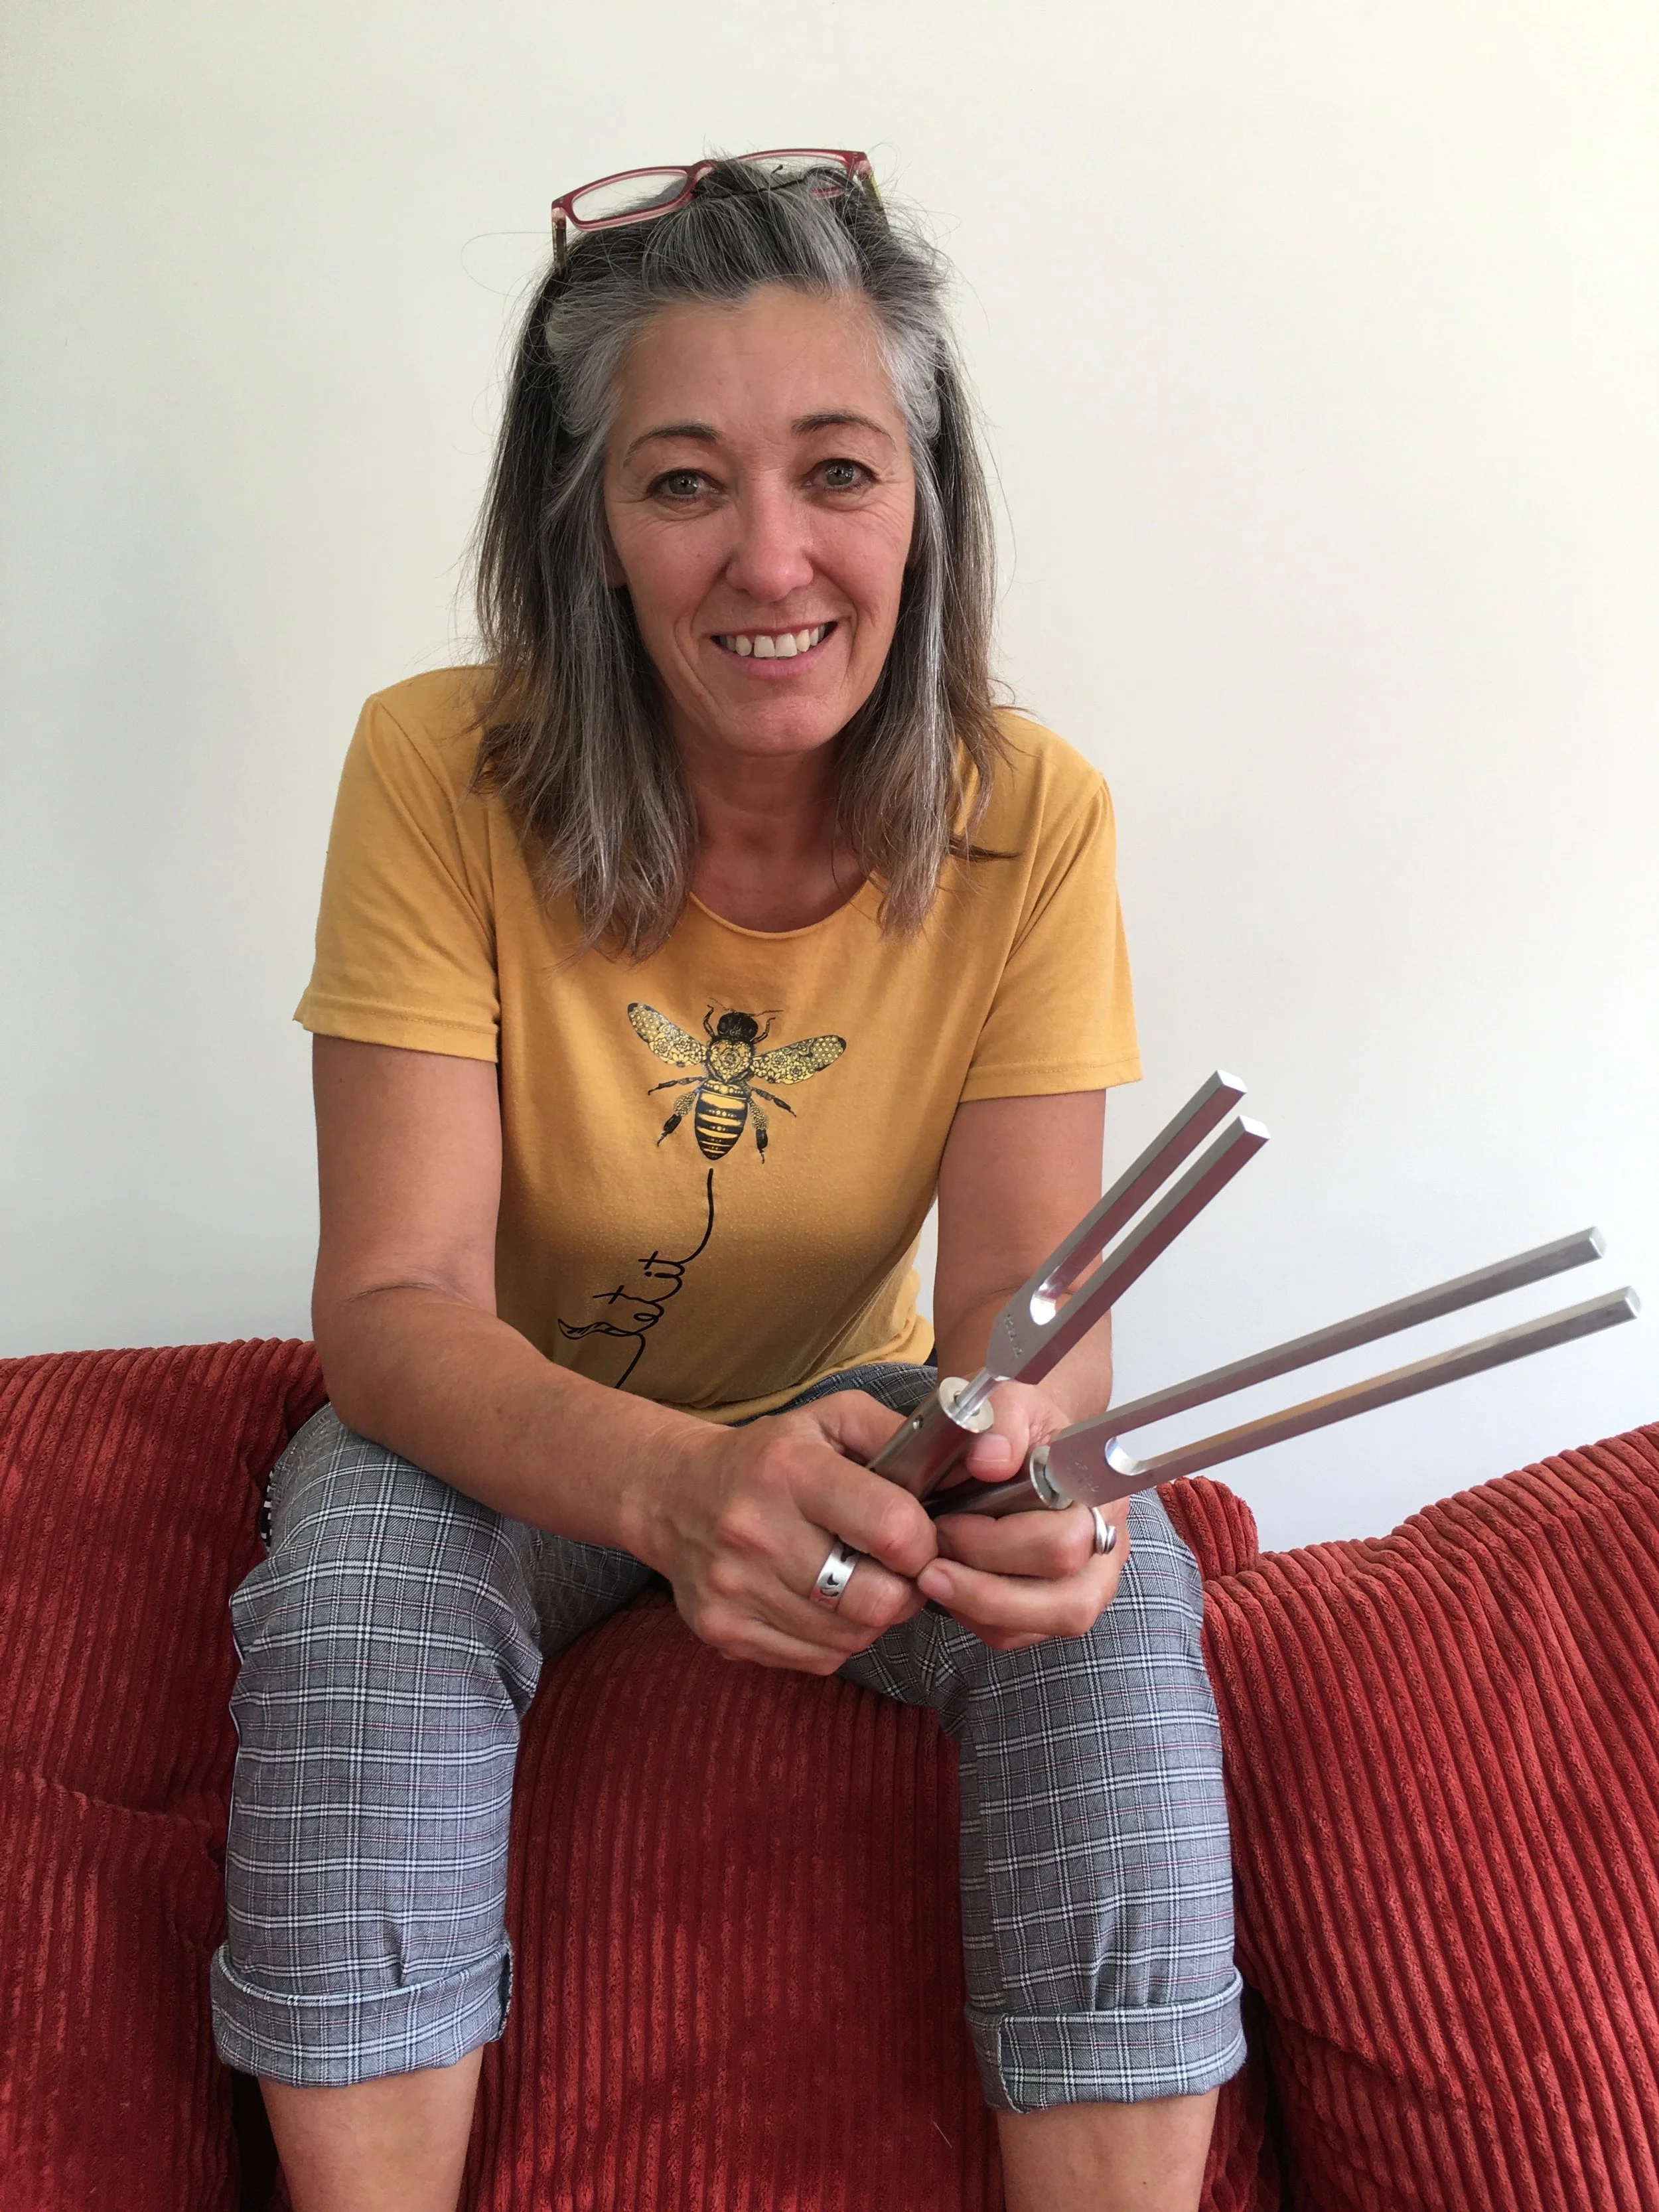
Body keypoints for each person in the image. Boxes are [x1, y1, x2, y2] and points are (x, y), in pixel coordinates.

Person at [210, 151, 1244, 2212]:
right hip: (507, 1431)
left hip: (853, 1422)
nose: (769, 555)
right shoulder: (436, 767)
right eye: (682, 481)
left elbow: (1020, 1333)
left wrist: (1037, 1460)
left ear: (924, 498)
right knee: (348, 1559)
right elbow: (394, 1303)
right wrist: (677, 1490)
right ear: (588, 525)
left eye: (838, 471)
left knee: (1117, 1606)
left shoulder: (1026, 817)